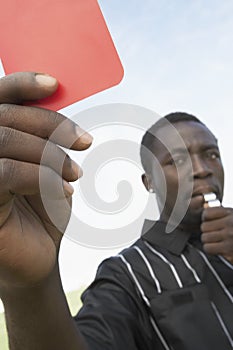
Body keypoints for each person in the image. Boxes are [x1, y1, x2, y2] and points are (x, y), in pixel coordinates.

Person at [0, 72, 233, 350]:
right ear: (149, 183)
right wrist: (29, 289)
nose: (201, 169)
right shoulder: (127, 273)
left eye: (212, 155)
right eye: (177, 159)